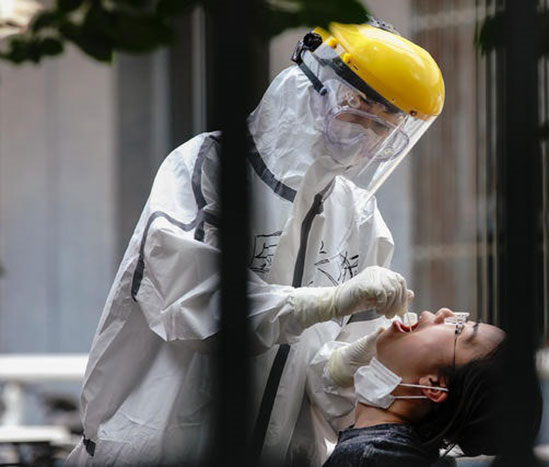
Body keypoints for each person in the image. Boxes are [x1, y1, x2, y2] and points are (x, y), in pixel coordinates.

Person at [65, 18, 444, 467]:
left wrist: (344, 366)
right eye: (359, 108)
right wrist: (326, 302)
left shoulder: (360, 217)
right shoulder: (206, 166)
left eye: (385, 126)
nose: (369, 135)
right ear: (312, 86)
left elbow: (338, 403)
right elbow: (197, 306)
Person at [309, 309, 508, 466]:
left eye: (459, 327)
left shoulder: (368, 458)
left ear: (435, 385)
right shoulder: (395, 452)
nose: (445, 313)